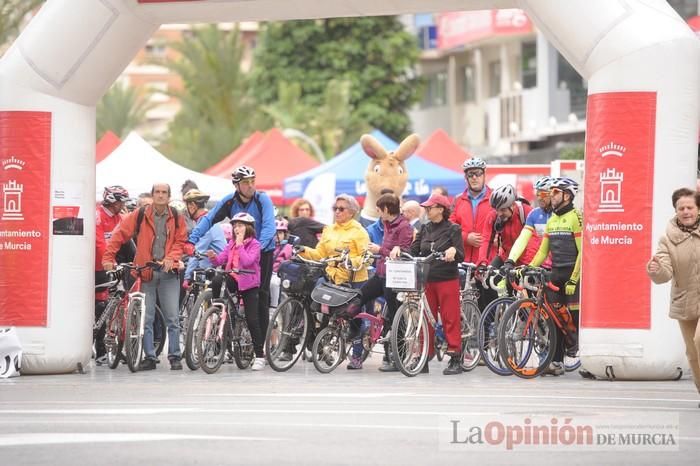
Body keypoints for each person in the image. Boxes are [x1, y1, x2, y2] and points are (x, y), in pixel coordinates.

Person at [185, 165, 276, 361]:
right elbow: (208, 219)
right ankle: (224, 325)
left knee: (260, 296)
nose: (250, 185)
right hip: (239, 250)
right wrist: (192, 240)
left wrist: (256, 250)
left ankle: (261, 347)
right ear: (237, 185)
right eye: (245, 182)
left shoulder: (262, 199)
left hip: (262, 252)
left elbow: (269, 226)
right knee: (223, 283)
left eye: (253, 181)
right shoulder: (229, 201)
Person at [103, 183, 187, 371]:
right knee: (146, 318)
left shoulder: (176, 216)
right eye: (157, 192)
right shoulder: (140, 214)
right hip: (146, 271)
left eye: (164, 193)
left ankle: (175, 356)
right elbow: (119, 234)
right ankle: (150, 357)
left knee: (172, 317)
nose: (160, 196)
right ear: (152, 195)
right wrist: (108, 257)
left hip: (168, 273)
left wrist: (171, 258)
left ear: (169, 196)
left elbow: (180, 241)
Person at [298, 194, 370, 370]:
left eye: (341, 209)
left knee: (355, 320)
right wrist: (303, 250)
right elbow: (320, 253)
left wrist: (353, 262)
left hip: (354, 280)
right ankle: (326, 342)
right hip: (332, 278)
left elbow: (365, 257)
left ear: (352, 212)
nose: (337, 212)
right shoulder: (329, 230)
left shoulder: (359, 232)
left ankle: (357, 356)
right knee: (325, 310)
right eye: (335, 208)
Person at [395, 192, 464, 375]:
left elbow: (460, 254)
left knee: (450, 318)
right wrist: (399, 250)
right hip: (428, 279)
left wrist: (452, 250)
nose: (426, 210)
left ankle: (455, 355)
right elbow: (414, 249)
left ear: (441, 209)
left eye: (429, 207)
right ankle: (425, 355)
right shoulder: (425, 229)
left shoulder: (453, 229)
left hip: (447, 279)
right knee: (426, 319)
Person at [647, 188, 700, 402]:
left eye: (690, 207)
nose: (686, 211)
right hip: (685, 300)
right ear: (676, 211)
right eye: (682, 208)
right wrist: (656, 271)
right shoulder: (667, 240)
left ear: (698, 209)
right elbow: (665, 274)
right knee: (692, 353)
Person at [527, 177, 582, 376]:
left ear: (567, 195)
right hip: (556, 273)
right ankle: (557, 361)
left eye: (556, 192)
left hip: (572, 274)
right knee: (555, 319)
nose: (551, 195)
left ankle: (581, 352)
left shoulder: (576, 217)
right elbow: (543, 252)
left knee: (573, 319)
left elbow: (582, 252)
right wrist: (528, 267)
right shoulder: (552, 220)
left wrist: (575, 279)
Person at [359, 193, 414, 372]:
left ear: (387, 209)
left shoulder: (404, 226)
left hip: (395, 277)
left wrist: (379, 249)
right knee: (360, 295)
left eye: (379, 208)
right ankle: (352, 330)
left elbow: (404, 252)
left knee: (394, 316)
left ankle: (396, 356)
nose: (377, 211)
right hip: (381, 274)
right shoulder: (386, 224)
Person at [207, 213, 265, 371]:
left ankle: (259, 355)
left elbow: (247, 262)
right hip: (233, 278)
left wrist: (240, 245)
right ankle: (217, 309)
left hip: (249, 283)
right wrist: (213, 257)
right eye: (235, 225)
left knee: (252, 319)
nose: (236, 228)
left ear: (248, 227)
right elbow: (221, 260)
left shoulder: (255, 244)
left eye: (240, 225)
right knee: (217, 279)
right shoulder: (231, 243)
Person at [450, 157, 493, 310]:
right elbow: (451, 227)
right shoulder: (458, 200)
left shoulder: (494, 198)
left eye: (477, 173)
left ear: (484, 175)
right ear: (465, 177)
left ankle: (487, 333)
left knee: (487, 304)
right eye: (470, 174)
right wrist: (466, 237)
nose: (474, 177)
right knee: (463, 306)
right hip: (464, 261)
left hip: (487, 260)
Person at [94, 185, 129, 365]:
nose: (123, 205)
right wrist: (110, 263)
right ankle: (99, 349)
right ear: (112, 201)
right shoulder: (98, 216)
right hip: (97, 266)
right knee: (100, 306)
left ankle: (118, 347)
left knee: (116, 303)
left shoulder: (119, 217)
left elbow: (128, 239)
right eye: (121, 201)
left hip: (113, 264)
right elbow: (100, 244)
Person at [504, 176, 555, 270]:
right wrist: (511, 260)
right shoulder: (534, 214)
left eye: (543, 194)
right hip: (540, 264)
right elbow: (522, 239)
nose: (539, 198)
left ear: (553, 194)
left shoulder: (562, 215)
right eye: (537, 194)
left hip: (560, 266)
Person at [182, 189, 226, 288]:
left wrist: (187, 277)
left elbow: (196, 251)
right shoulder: (206, 220)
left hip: (215, 270)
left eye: (187, 206)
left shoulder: (205, 225)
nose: (186, 210)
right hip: (210, 268)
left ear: (192, 206)